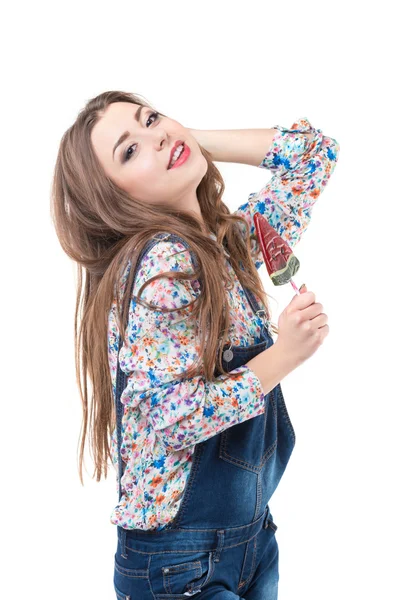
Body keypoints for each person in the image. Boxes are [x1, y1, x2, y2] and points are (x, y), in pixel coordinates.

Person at [50, 90, 340, 599]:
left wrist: (187, 142)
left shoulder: (229, 242)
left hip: (248, 540)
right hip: (180, 566)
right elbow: (175, 416)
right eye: (129, 151)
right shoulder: (164, 262)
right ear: (112, 199)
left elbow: (311, 154)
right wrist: (285, 354)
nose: (155, 134)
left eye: (152, 118)